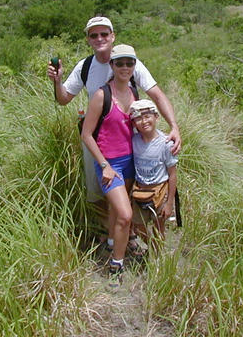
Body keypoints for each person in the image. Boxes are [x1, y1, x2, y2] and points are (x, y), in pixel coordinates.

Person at [47, 15, 181, 204]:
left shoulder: (129, 63)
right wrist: (58, 81)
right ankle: (103, 232)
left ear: (112, 36)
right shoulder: (84, 67)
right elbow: (63, 99)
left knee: (133, 188)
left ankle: (130, 229)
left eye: (104, 34)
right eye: (94, 35)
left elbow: (158, 95)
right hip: (96, 140)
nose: (99, 39)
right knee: (96, 190)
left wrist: (174, 126)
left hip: (130, 139)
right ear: (88, 40)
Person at [80, 44, 140, 280]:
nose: (125, 67)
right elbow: (86, 134)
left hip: (130, 161)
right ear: (112, 66)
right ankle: (116, 264)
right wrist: (104, 165)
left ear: (134, 66)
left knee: (118, 213)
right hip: (110, 164)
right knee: (126, 215)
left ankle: (115, 245)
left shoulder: (134, 92)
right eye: (120, 63)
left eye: (129, 63)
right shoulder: (101, 95)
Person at [128, 99, 178, 252]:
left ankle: (157, 258)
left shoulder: (166, 144)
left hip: (160, 192)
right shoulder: (134, 141)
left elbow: (172, 174)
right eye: (138, 118)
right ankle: (152, 246)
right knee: (138, 226)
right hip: (140, 191)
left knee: (159, 226)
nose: (144, 121)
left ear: (156, 117)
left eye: (147, 116)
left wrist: (170, 203)